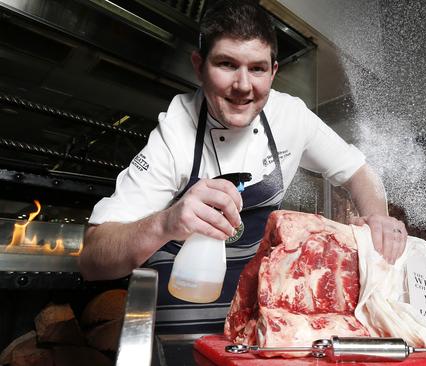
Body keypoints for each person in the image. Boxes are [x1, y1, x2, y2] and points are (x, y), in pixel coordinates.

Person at [79, 0, 407, 334]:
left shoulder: (291, 116)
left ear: (273, 72)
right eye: (226, 64)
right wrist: (166, 222)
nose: (243, 85)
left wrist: (378, 218)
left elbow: (359, 171)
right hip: (180, 329)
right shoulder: (176, 130)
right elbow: (92, 259)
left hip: (262, 325)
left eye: (257, 68)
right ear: (199, 66)